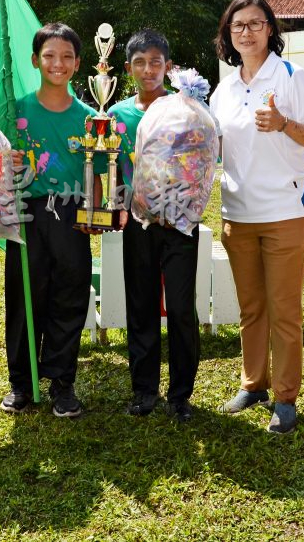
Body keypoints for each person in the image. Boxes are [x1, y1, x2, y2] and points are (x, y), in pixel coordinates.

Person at [210, 0, 304, 434]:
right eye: (238, 25)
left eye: (255, 23)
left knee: (284, 308)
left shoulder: (291, 76)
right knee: (251, 306)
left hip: (285, 211)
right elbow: (218, 146)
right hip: (237, 213)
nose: (246, 32)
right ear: (229, 34)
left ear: (270, 29)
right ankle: (253, 383)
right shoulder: (225, 87)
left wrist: (283, 125)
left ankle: (285, 396)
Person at [2, 23, 104, 418]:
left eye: (65, 57)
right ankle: (22, 384)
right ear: (35, 60)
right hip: (25, 213)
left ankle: (62, 382)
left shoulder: (88, 117)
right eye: (49, 56)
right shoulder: (17, 111)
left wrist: (94, 212)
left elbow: (94, 171)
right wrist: (6, 160)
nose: (57, 63)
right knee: (25, 297)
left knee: (69, 295)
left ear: (77, 64)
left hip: (71, 215)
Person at [108, 29, 200, 423]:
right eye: (140, 63)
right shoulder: (117, 116)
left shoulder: (185, 110)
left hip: (180, 222)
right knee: (141, 304)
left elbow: (199, 161)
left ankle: (180, 394)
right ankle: (144, 389)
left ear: (169, 67)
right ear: (128, 69)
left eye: (156, 62)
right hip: (137, 225)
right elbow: (110, 169)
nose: (149, 70)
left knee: (180, 308)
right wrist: (120, 203)